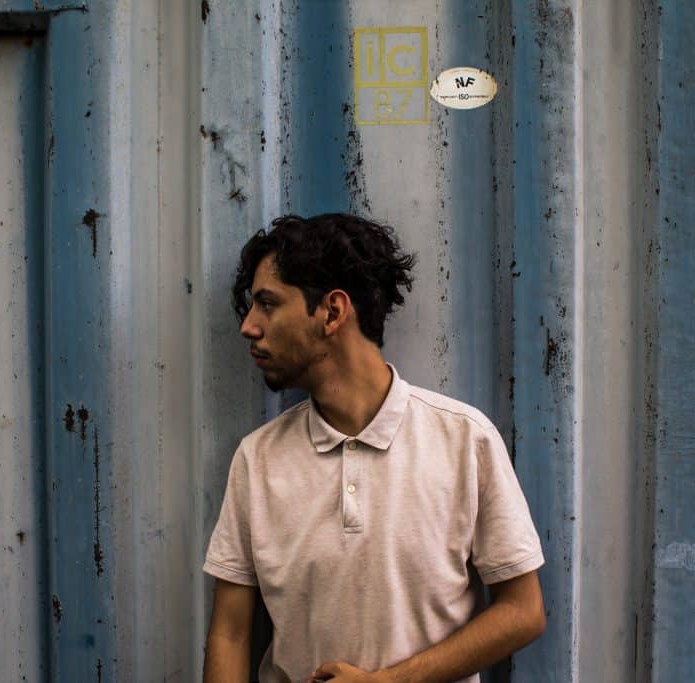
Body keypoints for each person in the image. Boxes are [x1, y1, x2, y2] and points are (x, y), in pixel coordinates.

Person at [203, 213, 546, 683]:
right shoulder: (257, 458)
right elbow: (230, 633)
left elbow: (523, 611)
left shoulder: (464, 439)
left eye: (267, 304)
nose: (248, 327)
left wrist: (390, 681)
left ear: (332, 312)